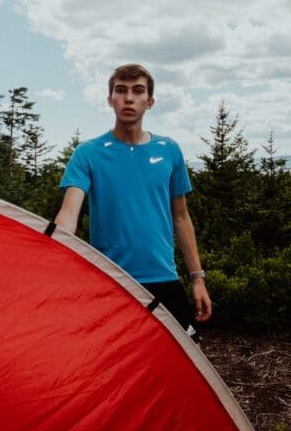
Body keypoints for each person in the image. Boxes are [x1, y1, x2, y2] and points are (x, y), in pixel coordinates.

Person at [54, 63, 212, 340]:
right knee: (112, 366)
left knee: (187, 360)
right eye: (121, 90)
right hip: (110, 280)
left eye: (138, 91)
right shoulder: (88, 153)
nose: (128, 98)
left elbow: (181, 217)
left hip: (163, 277)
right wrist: (54, 256)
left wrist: (197, 278)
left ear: (149, 102)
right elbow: (69, 214)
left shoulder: (169, 150)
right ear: (110, 99)